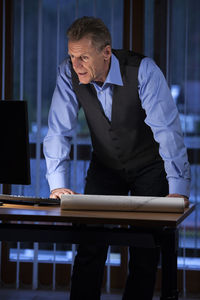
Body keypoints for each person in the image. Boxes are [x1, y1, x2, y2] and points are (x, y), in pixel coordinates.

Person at [43, 16, 191, 300]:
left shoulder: (143, 70)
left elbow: (168, 131)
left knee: (145, 251)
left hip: (150, 167)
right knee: (89, 244)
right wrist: (57, 184)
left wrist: (177, 191)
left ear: (106, 52)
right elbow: (58, 131)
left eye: (84, 57)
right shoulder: (68, 73)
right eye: (72, 56)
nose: (76, 65)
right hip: (105, 166)